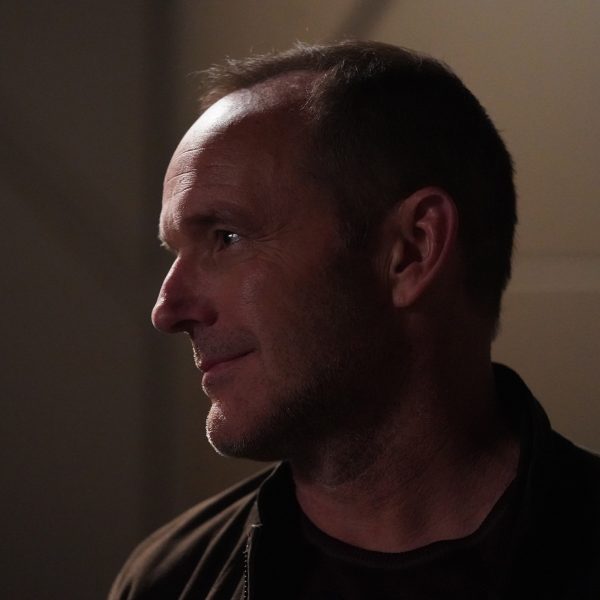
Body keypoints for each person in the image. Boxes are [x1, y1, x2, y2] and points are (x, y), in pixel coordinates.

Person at [110, 40, 600, 599]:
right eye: (175, 252)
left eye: (227, 237)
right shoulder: (167, 581)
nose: (167, 310)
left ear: (411, 251)